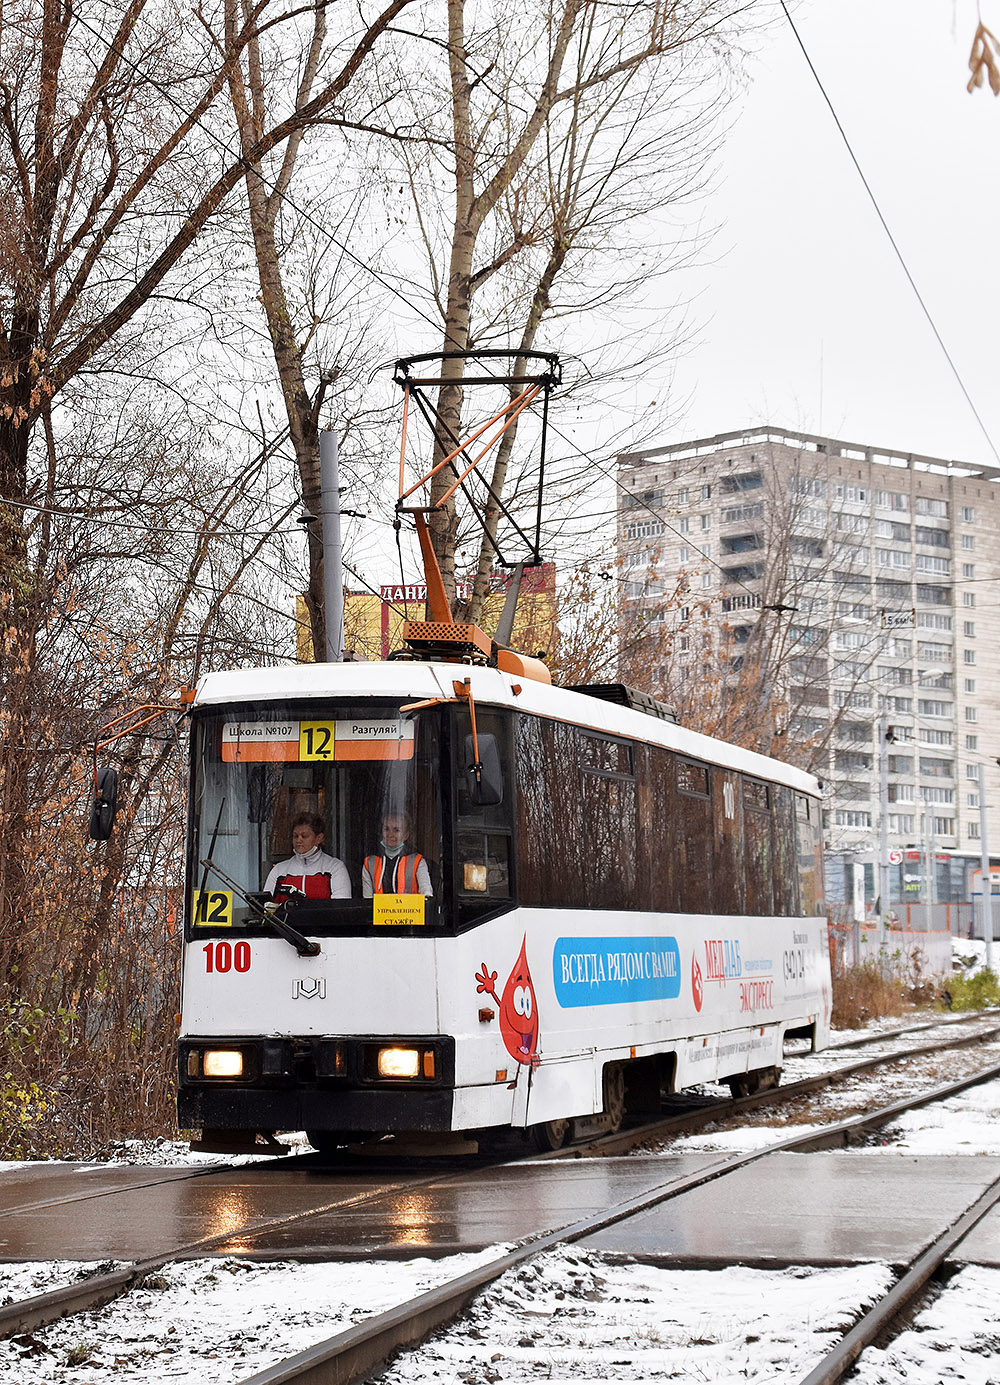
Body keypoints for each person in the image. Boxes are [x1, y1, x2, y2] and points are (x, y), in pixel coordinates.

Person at [264, 812, 351, 900]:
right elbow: (266, 906)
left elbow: (341, 906)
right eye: (295, 836)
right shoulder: (279, 870)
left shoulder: (334, 867)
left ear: (319, 838)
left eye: (304, 836)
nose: (299, 840)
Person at [362, 811, 433, 896]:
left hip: (409, 909)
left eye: (396, 830)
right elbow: (367, 900)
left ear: (406, 835)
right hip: (379, 909)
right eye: (386, 829)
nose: (390, 835)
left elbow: (426, 892)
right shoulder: (370, 863)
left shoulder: (417, 861)